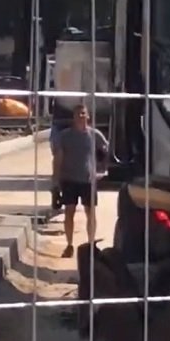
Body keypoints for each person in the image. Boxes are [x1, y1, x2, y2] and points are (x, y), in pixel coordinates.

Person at [51, 103, 109, 257]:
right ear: (73, 117)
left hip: (88, 180)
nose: (81, 116)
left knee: (91, 213)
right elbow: (58, 158)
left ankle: (91, 245)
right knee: (69, 212)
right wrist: (55, 180)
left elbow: (106, 152)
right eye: (78, 114)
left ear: (88, 116)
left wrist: (102, 171)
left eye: (83, 113)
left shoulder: (95, 135)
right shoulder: (65, 136)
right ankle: (69, 245)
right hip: (69, 179)